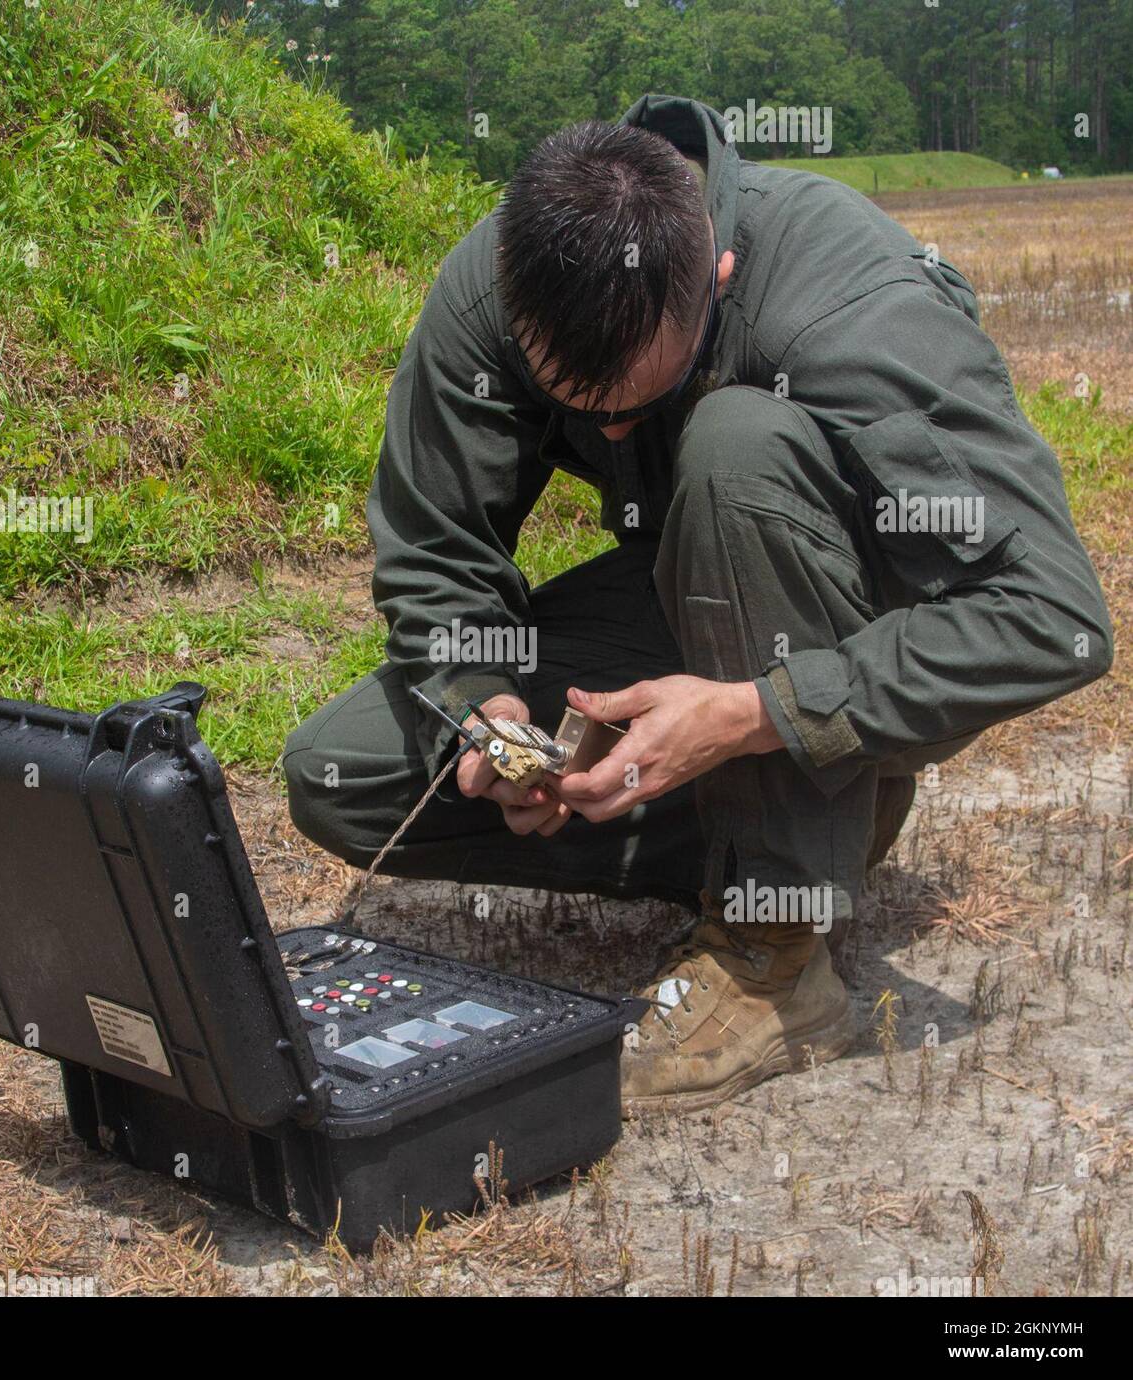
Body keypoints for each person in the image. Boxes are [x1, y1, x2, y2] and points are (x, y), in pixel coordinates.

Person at [283, 96, 1112, 1111]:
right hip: (690, 587)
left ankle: (775, 952)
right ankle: (805, 820)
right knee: (348, 774)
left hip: (854, 629)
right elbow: (435, 551)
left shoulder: (853, 306)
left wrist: (760, 713)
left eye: (635, 406)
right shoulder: (498, 278)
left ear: (716, 277)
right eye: (576, 408)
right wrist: (486, 708)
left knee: (734, 444)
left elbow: (1051, 617)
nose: (611, 437)